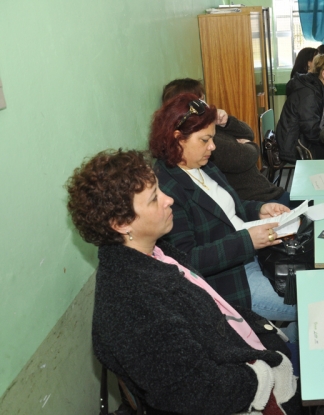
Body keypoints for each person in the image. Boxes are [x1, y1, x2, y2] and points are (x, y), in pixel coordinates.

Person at [65, 149, 300, 414]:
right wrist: (263, 374)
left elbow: (216, 311)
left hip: (243, 357)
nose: (168, 200)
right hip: (243, 388)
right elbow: (201, 393)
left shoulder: (157, 253)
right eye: (155, 199)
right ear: (121, 223)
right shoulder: (132, 307)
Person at [149, 94, 298, 326]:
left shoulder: (202, 164)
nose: (213, 146)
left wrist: (259, 209)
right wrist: (247, 241)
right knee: (309, 304)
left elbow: (229, 211)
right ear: (178, 139)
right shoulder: (167, 189)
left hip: (254, 255)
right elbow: (186, 259)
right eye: (205, 140)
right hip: (228, 281)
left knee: (310, 282)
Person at [162, 79, 289, 204]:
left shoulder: (208, 127)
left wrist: (226, 121)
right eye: (200, 101)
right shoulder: (203, 141)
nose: (205, 105)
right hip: (257, 199)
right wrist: (251, 145)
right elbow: (245, 157)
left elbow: (248, 133)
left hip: (264, 193)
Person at [278, 55, 324, 162]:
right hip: (297, 145)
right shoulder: (309, 94)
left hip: (307, 140)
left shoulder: (322, 89)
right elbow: (311, 130)